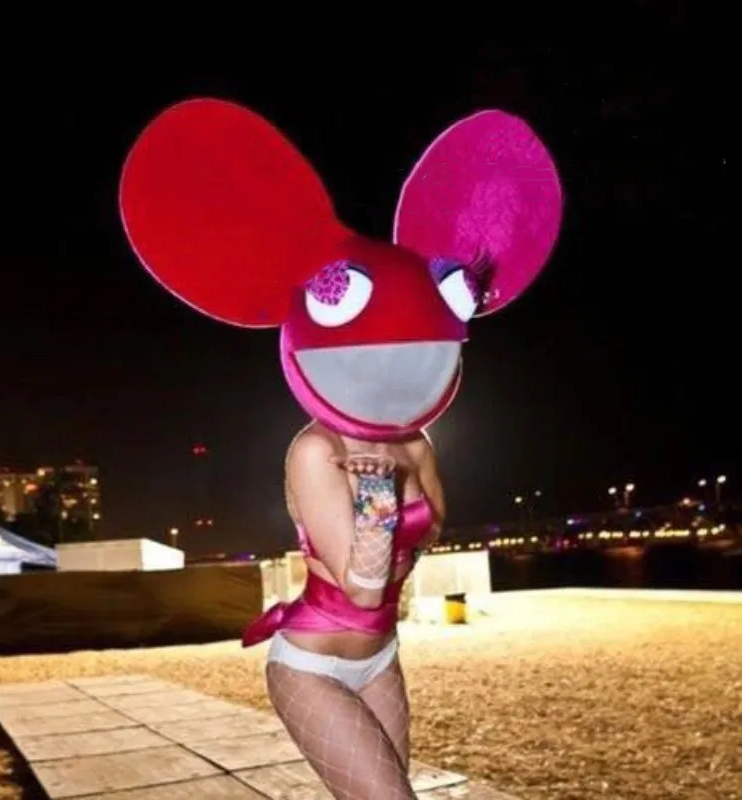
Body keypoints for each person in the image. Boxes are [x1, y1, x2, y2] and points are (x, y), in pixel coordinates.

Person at [120, 97, 562, 799]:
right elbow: (360, 586)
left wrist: (397, 501)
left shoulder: (415, 441)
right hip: (311, 665)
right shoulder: (312, 451)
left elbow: (433, 531)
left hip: (381, 655)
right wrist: (380, 495)